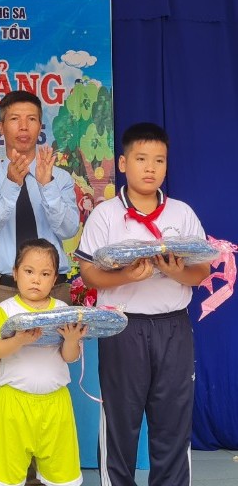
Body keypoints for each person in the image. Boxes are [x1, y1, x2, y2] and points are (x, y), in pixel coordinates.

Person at [76, 122, 210, 486]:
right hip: (122, 326)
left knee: (172, 421)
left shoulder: (181, 213)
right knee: (120, 422)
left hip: (173, 327)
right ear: (122, 163)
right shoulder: (105, 215)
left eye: (159, 160)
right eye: (141, 159)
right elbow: (89, 273)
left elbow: (201, 271)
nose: (150, 168)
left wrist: (175, 272)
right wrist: (125, 277)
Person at [0, 90, 79, 484]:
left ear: (40, 127)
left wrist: (46, 186)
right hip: (0, 293)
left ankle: (49, 476)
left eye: (32, 119)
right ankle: (6, 476)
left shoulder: (61, 178)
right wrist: (12, 186)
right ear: (0, 127)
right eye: (15, 119)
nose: (23, 127)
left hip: (55, 294)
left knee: (48, 385)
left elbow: (68, 229)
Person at [0, 238, 86, 486]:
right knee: (6, 475)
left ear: (55, 279)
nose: (36, 279)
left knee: (60, 474)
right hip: (13, 403)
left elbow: (69, 357)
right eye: (29, 271)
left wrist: (71, 339)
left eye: (45, 273)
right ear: (15, 274)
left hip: (55, 403)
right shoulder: (5, 310)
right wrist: (18, 341)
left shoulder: (62, 310)